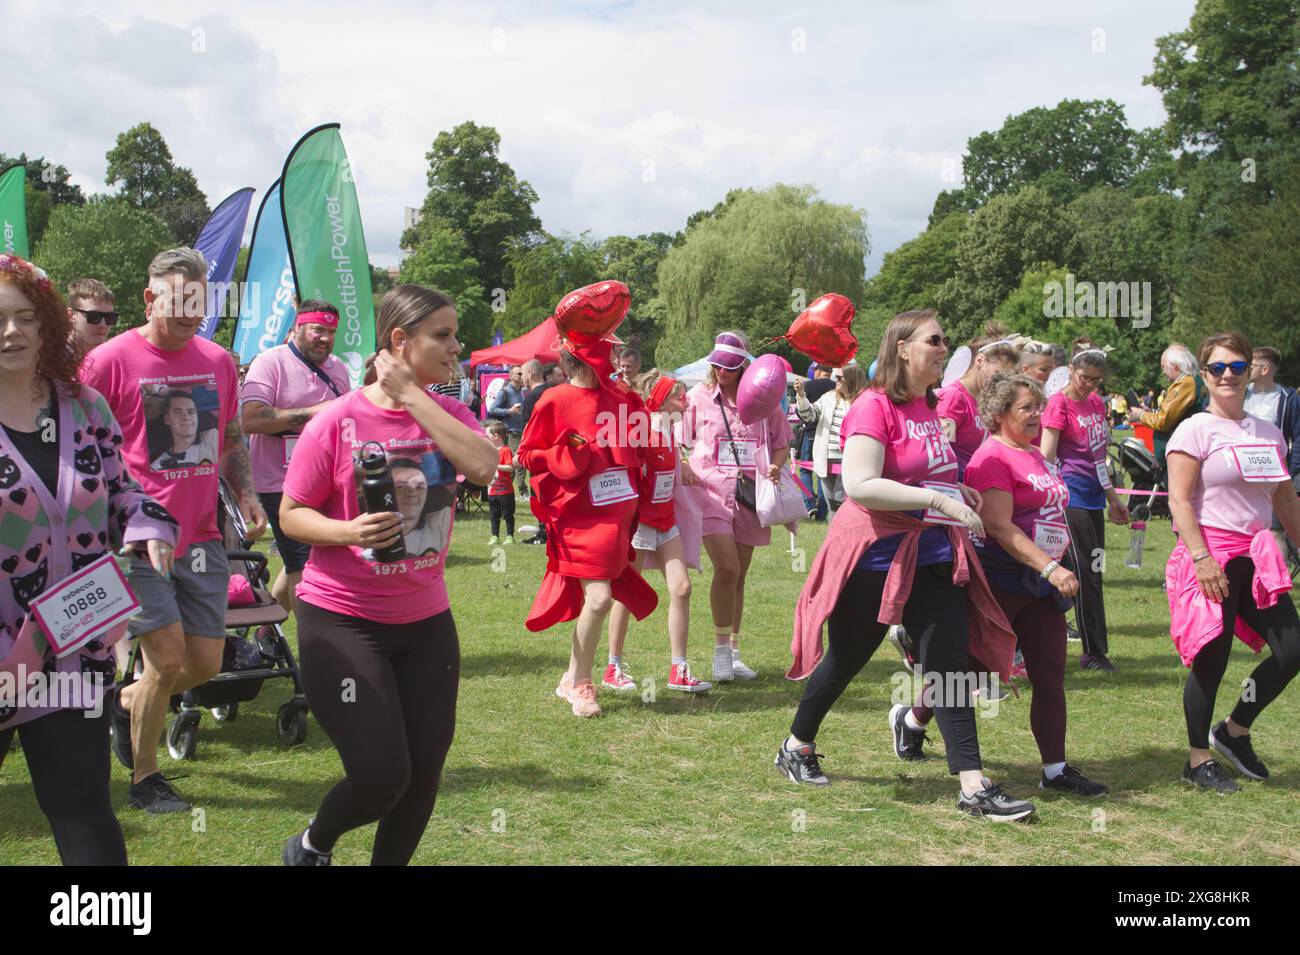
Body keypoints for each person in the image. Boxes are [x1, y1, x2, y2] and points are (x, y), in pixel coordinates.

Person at [779, 309, 1032, 820]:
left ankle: (971, 785)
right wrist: (936, 502)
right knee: (847, 657)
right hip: (874, 556)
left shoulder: (928, 405)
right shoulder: (874, 406)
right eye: (934, 340)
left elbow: (928, 471)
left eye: (944, 340)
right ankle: (796, 745)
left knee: (950, 669)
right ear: (901, 348)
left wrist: (953, 487)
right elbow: (860, 484)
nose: (944, 348)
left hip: (934, 555)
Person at [279, 284, 496, 865]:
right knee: (382, 774)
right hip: (342, 622)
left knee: (423, 772)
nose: (456, 346)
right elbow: (291, 515)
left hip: (425, 623)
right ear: (400, 340)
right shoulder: (336, 421)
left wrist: (412, 396)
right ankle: (310, 845)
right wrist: (349, 532)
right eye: (442, 335)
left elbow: (482, 467)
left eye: (455, 334)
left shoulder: (448, 413)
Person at [0, 254, 179, 864]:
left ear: (50, 324)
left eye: (26, 317)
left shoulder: (85, 406)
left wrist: (146, 523)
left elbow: (122, 489)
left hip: (74, 647)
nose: (12, 332)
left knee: (84, 815)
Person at [83, 247, 266, 814]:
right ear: (148, 297)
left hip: (205, 538)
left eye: (200, 299)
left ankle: (126, 703)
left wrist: (246, 493)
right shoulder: (109, 363)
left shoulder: (215, 360)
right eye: (178, 298)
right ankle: (145, 780)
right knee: (164, 659)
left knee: (206, 664)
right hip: (137, 542)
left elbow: (231, 437)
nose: (191, 310)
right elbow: (81, 447)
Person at [1164, 332, 1300, 793]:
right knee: (1212, 659)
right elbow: (1179, 501)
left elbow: (1285, 499)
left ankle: (1234, 729)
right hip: (1212, 557)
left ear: (1250, 372)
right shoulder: (1194, 429)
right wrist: (1201, 558)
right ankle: (1198, 759)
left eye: (1236, 367)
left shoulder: (1269, 432)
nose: (1227, 375)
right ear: (1204, 374)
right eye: (1218, 367)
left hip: (1258, 559)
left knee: (1292, 651)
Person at [960, 371, 1108, 795]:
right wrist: (1050, 567)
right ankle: (913, 719)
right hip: (1003, 580)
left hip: (1042, 584)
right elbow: (999, 527)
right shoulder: (991, 459)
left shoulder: (1035, 453)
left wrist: (1054, 565)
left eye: (1039, 406)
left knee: (1049, 675)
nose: (1037, 415)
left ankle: (1055, 770)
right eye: (1027, 407)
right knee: (969, 674)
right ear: (999, 412)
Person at [518, 306, 659, 718]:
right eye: (607, 353)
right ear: (581, 356)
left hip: (616, 515)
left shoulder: (623, 398)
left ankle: (570, 678)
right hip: (578, 517)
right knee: (598, 599)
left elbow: (643, 447)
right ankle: (579, 683)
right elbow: (528, 454)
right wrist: (567, 450)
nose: (614, 361)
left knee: (601, 597)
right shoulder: (554, 400)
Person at [684, 331, 792, 682]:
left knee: (739, 577)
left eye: (728, 366)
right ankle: (719, 655)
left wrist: (776, 464)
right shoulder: (697, 398)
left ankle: (732, 651)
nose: (720, 371)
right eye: (716, 364)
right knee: (727, 569)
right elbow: (679, 440)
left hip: (750, 495)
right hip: (710, 493)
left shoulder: (766, 403)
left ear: (744, 365)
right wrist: (684, 467)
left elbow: (782, 443)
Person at [240, 300, 352, 617]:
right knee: (303, 563)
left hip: (329, 479)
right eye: (318, 329)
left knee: (306, 558)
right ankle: (315, 642)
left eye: (331, 331)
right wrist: (315, 413)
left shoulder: (338, 368)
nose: (325, 338)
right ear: (299, 327)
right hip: (280, 482)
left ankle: (266, 631)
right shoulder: (270, 362)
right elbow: (251, 419)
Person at [604, 370, 711, 693]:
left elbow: (670, 465)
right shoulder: (643, 432)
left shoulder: (669, 432)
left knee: (682, 588)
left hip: (666, 523)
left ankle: (679, 669)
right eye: (679, 395)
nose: (685, 400)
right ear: (662, 399)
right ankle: (613, 667)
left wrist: (686, 468)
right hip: (639, 525)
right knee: (626, 595)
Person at [1041, 341, 1129, 672]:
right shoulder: (1058, 404)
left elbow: (1099, 456)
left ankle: (1086, 643)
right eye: (1084, 376)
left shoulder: (1094, 404)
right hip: (1070, 497)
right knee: (1084, 574)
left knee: (1094, 570)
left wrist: (1113, 499)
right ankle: (1093, 651)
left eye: (1096, 379)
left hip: (1094, 497)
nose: (1089, 384)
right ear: (1073, 370)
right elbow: (1047, 457)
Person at [937, 326, 1018, 476]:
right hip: (955, 486)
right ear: (980, 361)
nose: (1002, 382)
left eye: (1008, 376)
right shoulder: (954, 397)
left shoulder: (983, 400)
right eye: (998, 373)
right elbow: (941, 449)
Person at [793, 364, 867, 515]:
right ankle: (835, 534)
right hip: (826, 459)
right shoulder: (829, 398)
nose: (836, 381)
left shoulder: (863, 402)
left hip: (849, 461)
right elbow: (810, 415)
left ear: (852, 379)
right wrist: (801, 396)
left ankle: (838, 534)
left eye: (840, 378)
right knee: (830, 503)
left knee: (839, 503)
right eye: (836, 377)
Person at [1127, 344, 1202, 463]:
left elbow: (1163, 421)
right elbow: (1173, 416)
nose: (1162, 372)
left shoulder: (1185, 384)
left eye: (1164, 367)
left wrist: (1141, 414)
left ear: (1175, 366)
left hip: (1180, 456)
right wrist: (1150, 412)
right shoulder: (1189, 381)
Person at [489, 364, 527, 495]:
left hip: (520, 431)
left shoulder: (522, 392)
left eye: (523, 373)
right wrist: (509, 411)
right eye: (519, 374)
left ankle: (503, 489)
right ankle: (523, 492)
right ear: (511, 376)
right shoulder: (505, 392)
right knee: (519, 461)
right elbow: (492, 409)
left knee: (514, 463)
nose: (522, 376)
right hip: (510, 433)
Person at [65, 277, 117, 359]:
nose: (102, 325)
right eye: (94, 317)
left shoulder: (115, 359)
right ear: (70, 316)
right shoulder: (48, 358)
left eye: (109, 317)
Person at [485, 421, 516, 544]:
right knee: (494, 515)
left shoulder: (505, 450)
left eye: (489, 435)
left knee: (508, 514)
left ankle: (509, 536)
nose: (487, 438)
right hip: (492, 490)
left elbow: (510, 468)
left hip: (505, 491)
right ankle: (494, 536)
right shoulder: (490, 451)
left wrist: (495, 466)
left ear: (496, 436)